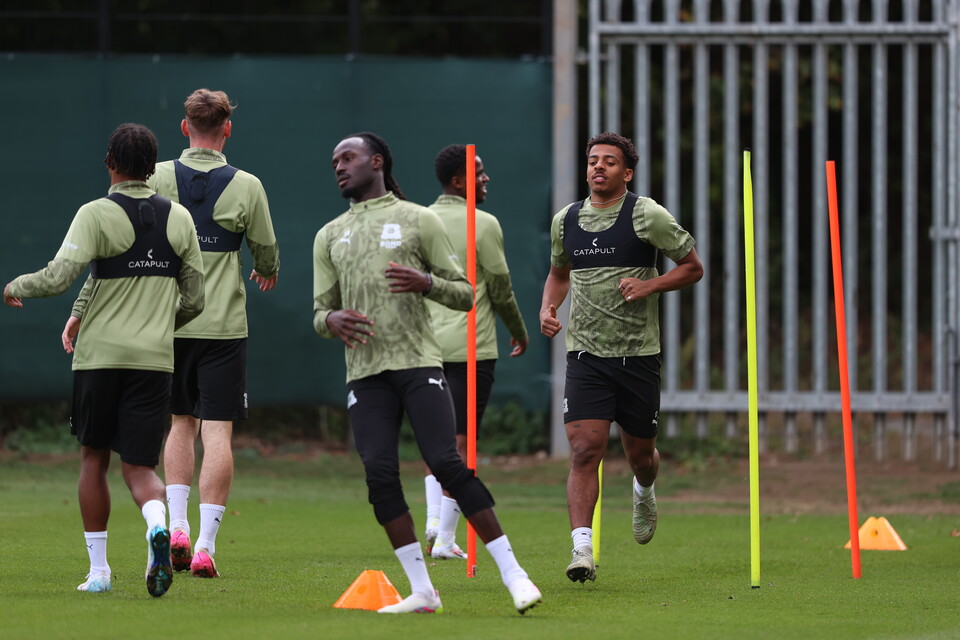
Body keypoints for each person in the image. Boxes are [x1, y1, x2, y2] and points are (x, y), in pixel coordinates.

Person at [313, 132, 541, 615]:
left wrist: (427, 282)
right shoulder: (329, 235)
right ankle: (422, 591)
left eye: (348, 157)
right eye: (335, 160)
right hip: (365, 373)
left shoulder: (420, 220)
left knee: (448, 463)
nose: (339, 166)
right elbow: (320, 312)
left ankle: (515, 575)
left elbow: (463, 293)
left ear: (377, 162)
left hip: (419, 364)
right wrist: (329, 320)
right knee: (379, 475)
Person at [65, 89, 280, 578]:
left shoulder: (154, 176)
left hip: (166, 325)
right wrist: (265, 268)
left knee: (180, 423)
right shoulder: (248, 185)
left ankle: (176, 526)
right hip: (223, 326)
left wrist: (82, 307)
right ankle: (204, 546)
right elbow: (266, 252)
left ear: (185, 128)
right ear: (228, 129)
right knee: (218, 430)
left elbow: (104, 260)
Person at [5, 123, 205, 597]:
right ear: (151, 167)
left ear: (110, 164)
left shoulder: (95, 214)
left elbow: (59, 276)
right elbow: (195, 300)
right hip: (154, 363)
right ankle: (157, 524)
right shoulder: (179, 219)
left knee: (92, 460)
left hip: (99, 361)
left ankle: (99, 573)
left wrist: (16, 286)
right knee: (139, 467)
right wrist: (154, 324)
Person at [539, 132, 703, 584]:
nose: (598, 168)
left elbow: (693, 267)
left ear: (626, 173)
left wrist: (649, 285)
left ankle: (644, 490)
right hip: (585, 355)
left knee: (641, 455)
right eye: (593, 160)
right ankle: (581, 550)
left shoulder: (646, 214)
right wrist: (547, 307)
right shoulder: (566, 220)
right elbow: (558, 274)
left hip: (637, 356)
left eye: (609, 162)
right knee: (585, 450)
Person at [422, 144, 529, 560]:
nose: (486, 179)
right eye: (479, 173)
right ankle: (445, 538)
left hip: (427, 347)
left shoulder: (420, 219)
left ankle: (434, 523)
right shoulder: (483, 224)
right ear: (457, 180)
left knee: (437, 439)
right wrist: (519, 331)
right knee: (462, 444)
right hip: (471, 349)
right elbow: (501, 290)